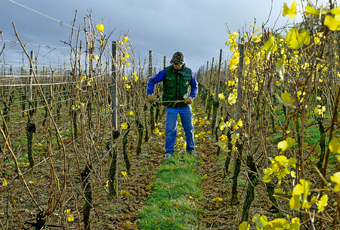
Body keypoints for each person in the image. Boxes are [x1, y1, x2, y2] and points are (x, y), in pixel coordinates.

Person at [146, 51, 198, 160]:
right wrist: (149, 94)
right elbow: (152, 81)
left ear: (182, 63)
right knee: (170, 129)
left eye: (177, 64)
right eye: (174, 63)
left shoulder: (189, 72)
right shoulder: (166, 71)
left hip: (185, 106)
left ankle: (191, 149)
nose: (175, 65)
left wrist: (191, 97)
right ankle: (169, 152)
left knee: (189, 128)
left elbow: (195, 87)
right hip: (171, 106)